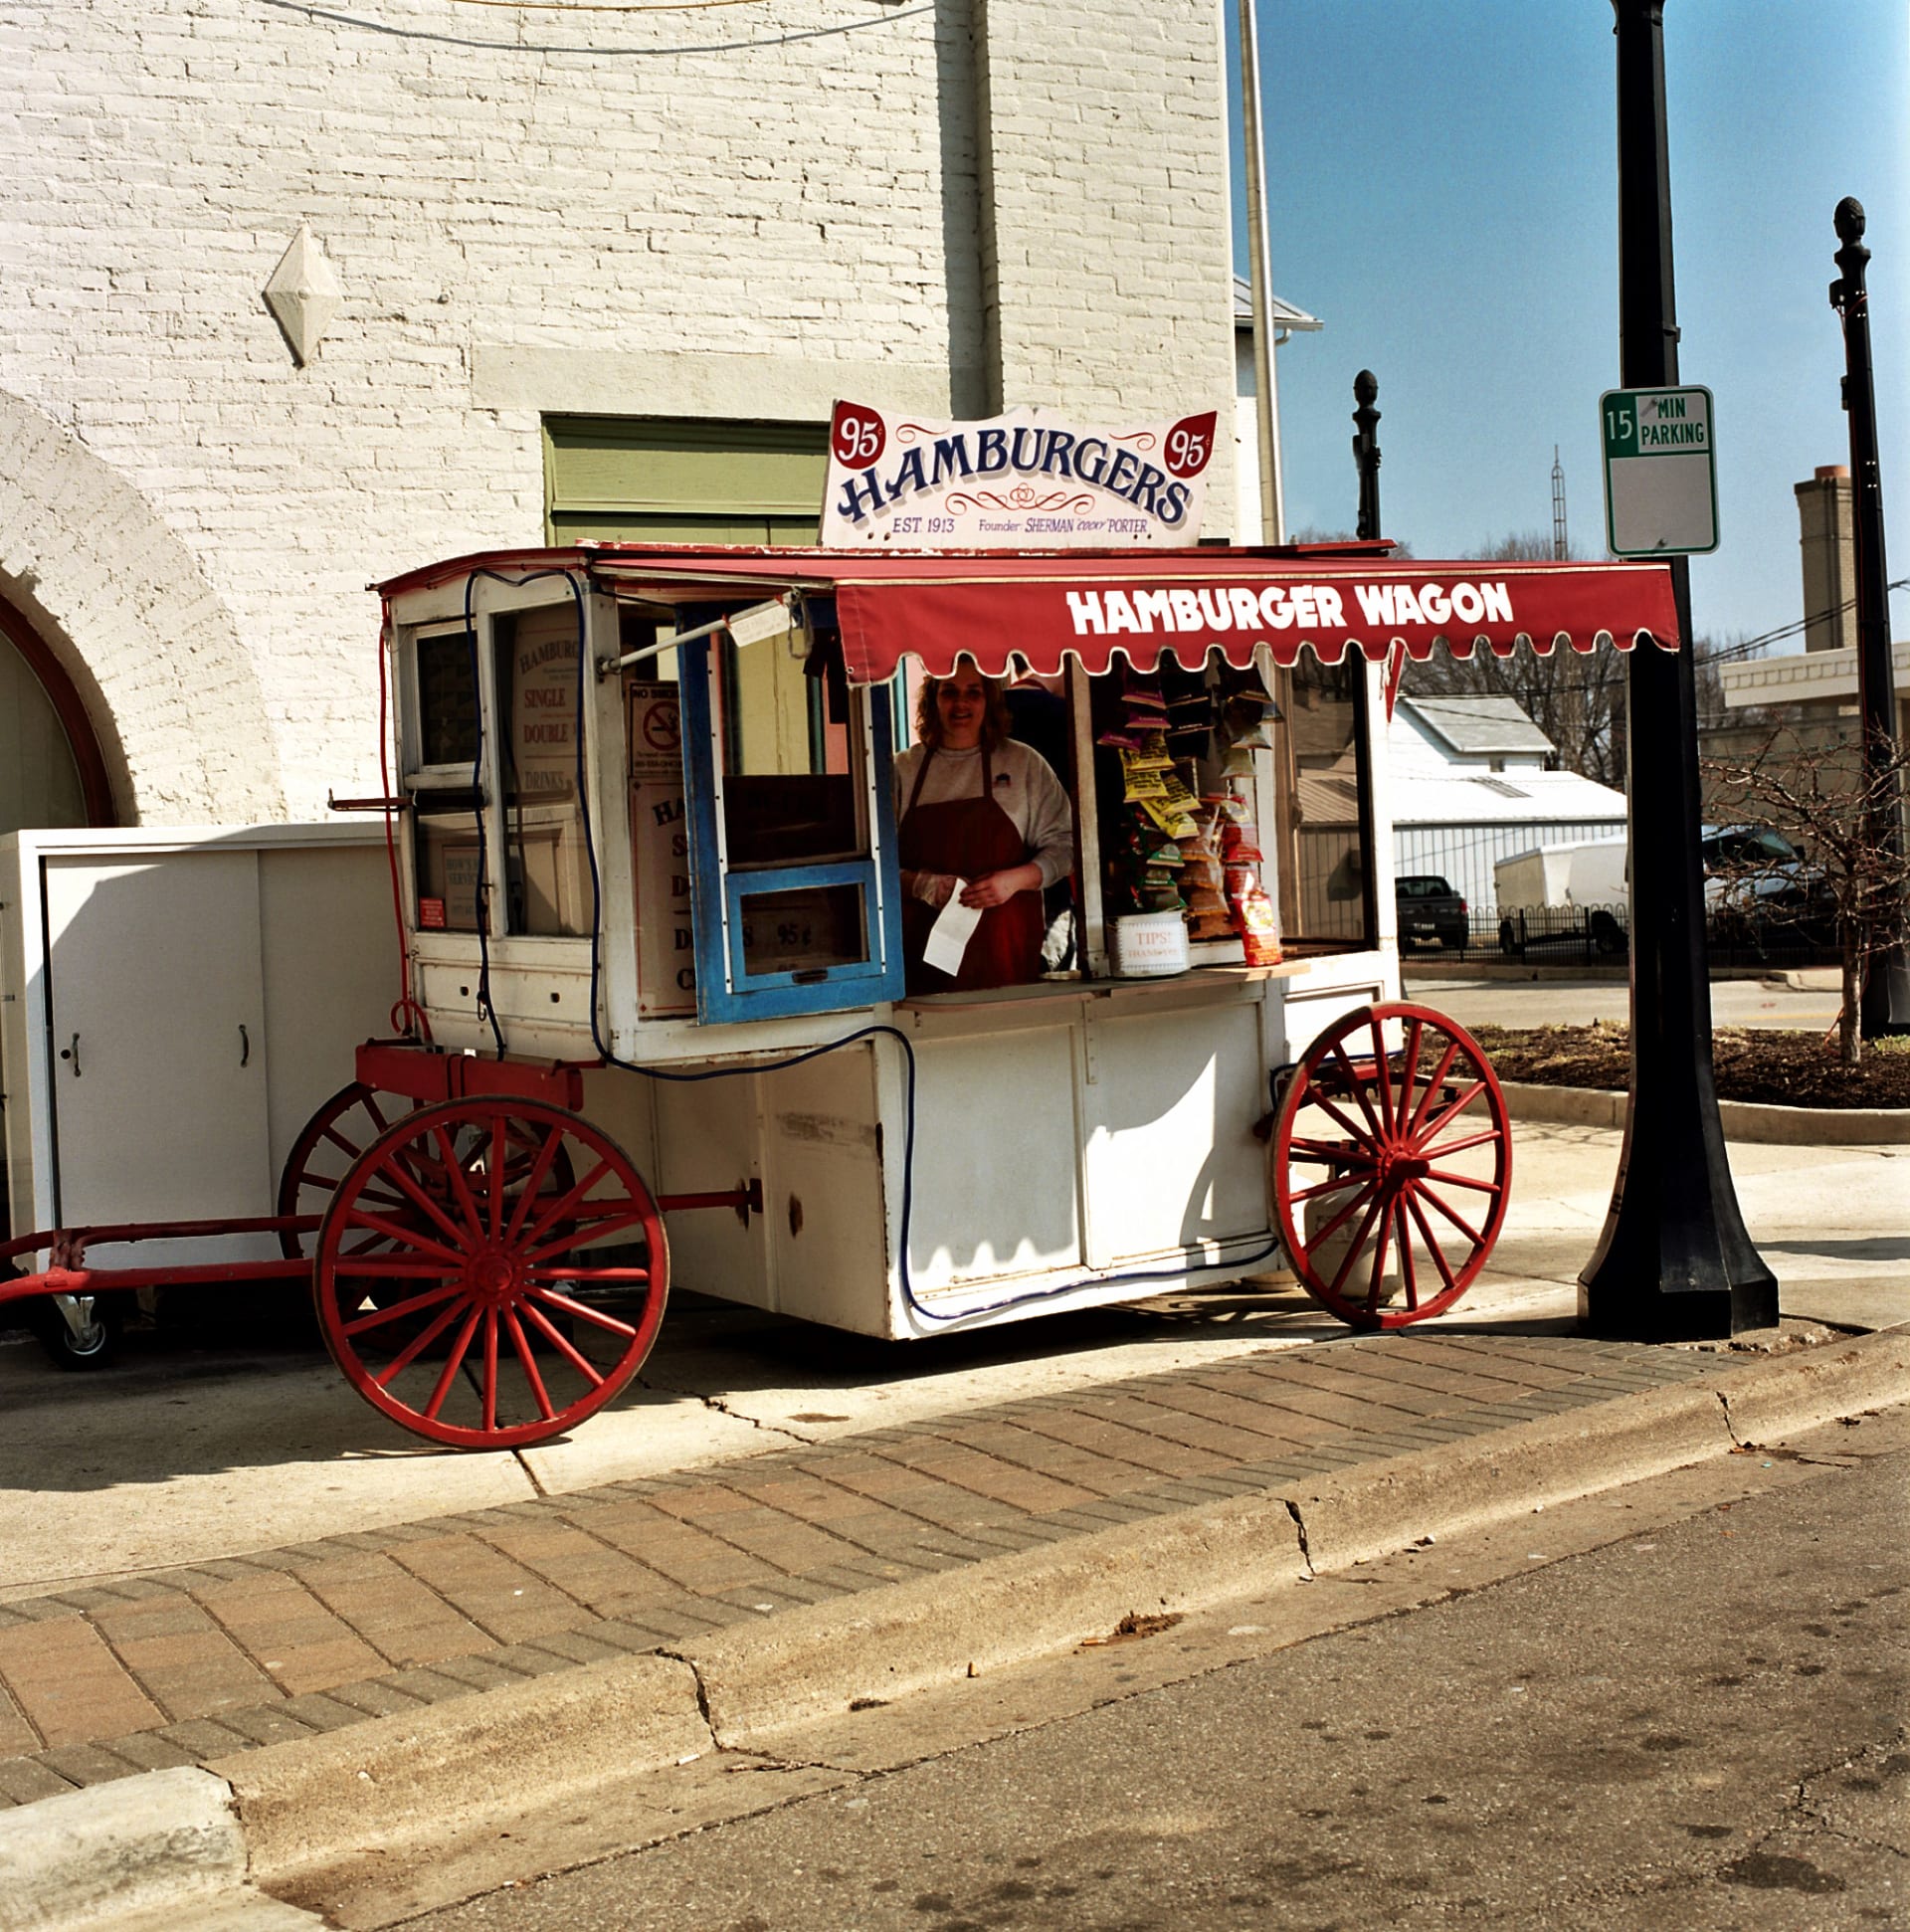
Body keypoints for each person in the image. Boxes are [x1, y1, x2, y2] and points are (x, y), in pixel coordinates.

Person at [893, 657, 1073, 992]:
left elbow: (1066, 847)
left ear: (989, 700)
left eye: (973, 692)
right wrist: (921, 885)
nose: (961, 703)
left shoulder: (1024, 764)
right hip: (923, 976)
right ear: (932, 700)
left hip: (1007, 964)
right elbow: (876, 870)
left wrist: (1015, 880)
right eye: (949, 692)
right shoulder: (903, 770)